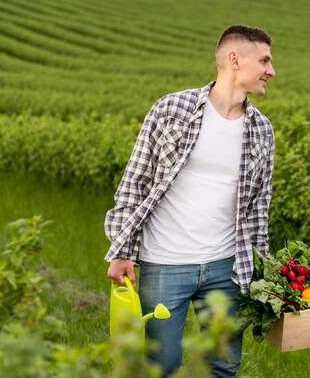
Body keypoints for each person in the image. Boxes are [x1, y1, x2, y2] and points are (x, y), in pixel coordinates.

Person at [104, 24, 276, 377]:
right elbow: (134, 183)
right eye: (264, 61)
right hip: (165, 262)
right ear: (234, 60)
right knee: (159, 366)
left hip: (226, 267)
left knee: (223, 366)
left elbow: (259, 209)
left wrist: (264, 270)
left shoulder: (262, 129)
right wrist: (121, 250)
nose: (271, 71)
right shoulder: (171, 109)